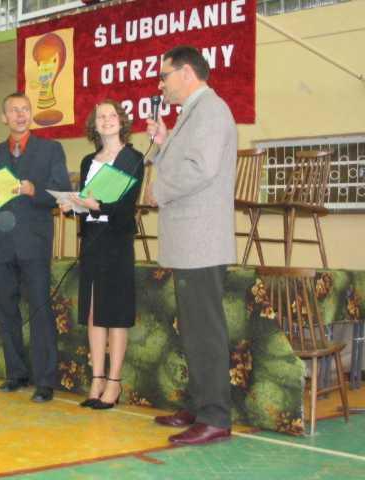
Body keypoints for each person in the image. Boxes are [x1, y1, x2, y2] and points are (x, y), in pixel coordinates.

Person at [145, 46, 237, 445]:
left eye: (164, 76)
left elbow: (201, 169)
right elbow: (185, 161)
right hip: (189, 242)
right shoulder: (191, 113)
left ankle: (215, 417)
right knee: (193, 330)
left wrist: (159, 190)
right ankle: (200, 406)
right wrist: (164, 142)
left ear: (186, 73)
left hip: (202, 242)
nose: (161, 85)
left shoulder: (211, 110)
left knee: (205, 331)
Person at [0, 92, 71, 403]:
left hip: (34, 243)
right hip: (1, 246)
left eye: (25, 109)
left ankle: (45, 381)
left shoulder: (51, 149)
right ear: (4, 118)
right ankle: (16, 374)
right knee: (6, 311)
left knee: (40, 311)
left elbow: (62, 192)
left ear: (31, 114)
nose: (20, 114)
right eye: (14, 110)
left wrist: (34, 190)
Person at [59, 100, 144, 410]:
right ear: (93, 125)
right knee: (94, 311)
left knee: (116, 313)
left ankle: (114, 381)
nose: (106, 120)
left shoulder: (133, 158)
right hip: (92, 239)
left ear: (121, 121)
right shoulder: (87, 161)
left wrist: (96, 205)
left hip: (117, 240)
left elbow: (125, 206)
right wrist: (73, 205)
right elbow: (86, 201)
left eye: (111, 115)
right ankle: (96, 378)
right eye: (100, 117)